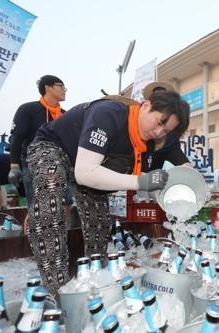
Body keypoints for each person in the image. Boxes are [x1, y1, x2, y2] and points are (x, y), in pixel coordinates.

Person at [26, 90, 189, 294]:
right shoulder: (108, 114)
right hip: (54, 148)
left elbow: (145, 186)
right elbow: (86, 172)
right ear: (146, 106)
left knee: (99, 223)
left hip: (88, 168)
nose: (158, 132)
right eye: (159, 122)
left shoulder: (146, 145)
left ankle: (97, 278)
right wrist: (141, 181)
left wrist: (173, 200)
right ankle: (55, 289)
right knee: (51, 181)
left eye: (165, 130)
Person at [8, 75, 71, 211]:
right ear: (48, 87)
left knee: (65, 204)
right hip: (33, 165)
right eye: (61, 86)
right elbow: (17, 138)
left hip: (62, 166)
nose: (64, 90)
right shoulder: (28, 109)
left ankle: (62, 232)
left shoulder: (66, 115)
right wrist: (14, 166)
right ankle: (33, 233)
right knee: (37, 207)